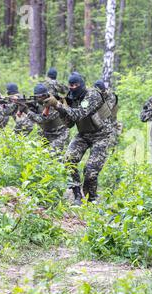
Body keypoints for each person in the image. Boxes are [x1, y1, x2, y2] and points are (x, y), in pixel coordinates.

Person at [48, 73, 114, 205]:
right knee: (68, 160)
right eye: (70, 85)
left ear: (82, 85)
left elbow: (79, 114)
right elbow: (70, 123)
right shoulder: (71, 97)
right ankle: (77, 194)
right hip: (83, 134)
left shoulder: (92, 95)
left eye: (76, 85)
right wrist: (59, 107)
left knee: (90, 172)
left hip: (101, 135)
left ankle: (92, 199)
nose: (73, 87)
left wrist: (59, 105)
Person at [16, 83, 70, 153]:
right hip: (46, 133)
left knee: (53, 155)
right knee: (38, 154)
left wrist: (26, 110)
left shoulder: (53, 102)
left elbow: (41, 119)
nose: (40, 98)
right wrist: (27, 106)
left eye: (42, 96)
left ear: (46, 94)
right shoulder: (37, 102)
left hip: (60, 134)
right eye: (37, 97)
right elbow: (34, 114)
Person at [94, 79, 120, 149]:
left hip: (111, 125)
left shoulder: (111, 96)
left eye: (101, 92)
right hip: (100, 126)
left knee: (110, 147)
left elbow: (106, 111)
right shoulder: (94, 95)